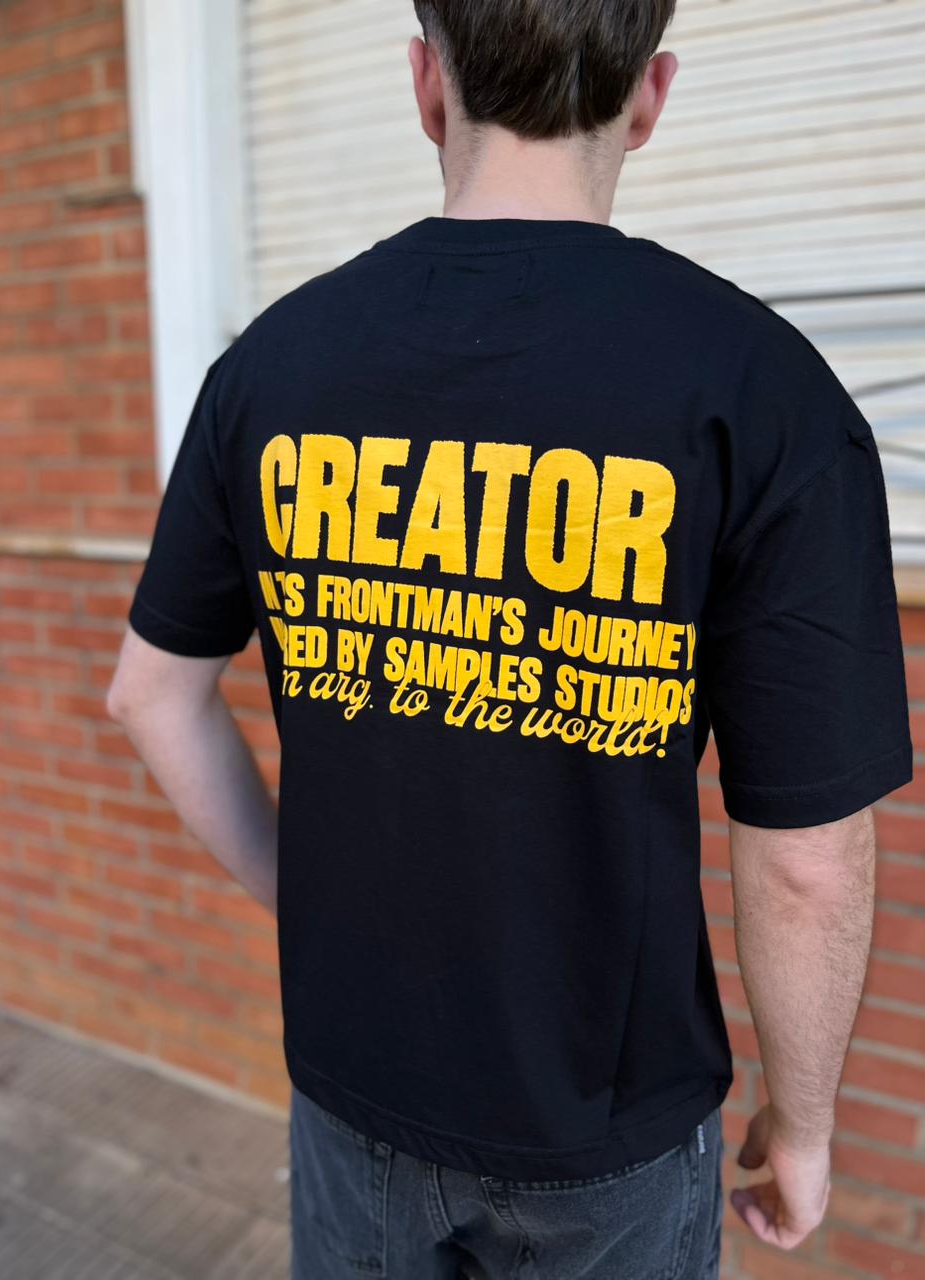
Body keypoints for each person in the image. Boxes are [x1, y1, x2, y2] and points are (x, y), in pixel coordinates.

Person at [107, 1, 913, 1276]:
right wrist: (803, 1122)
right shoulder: (763, 391)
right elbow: (808, 856)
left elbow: (151, 695)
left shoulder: (272, 366)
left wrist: (304, 897)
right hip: (610, 1131)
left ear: (427, 84)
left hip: (353, 1092)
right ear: (648, 97)